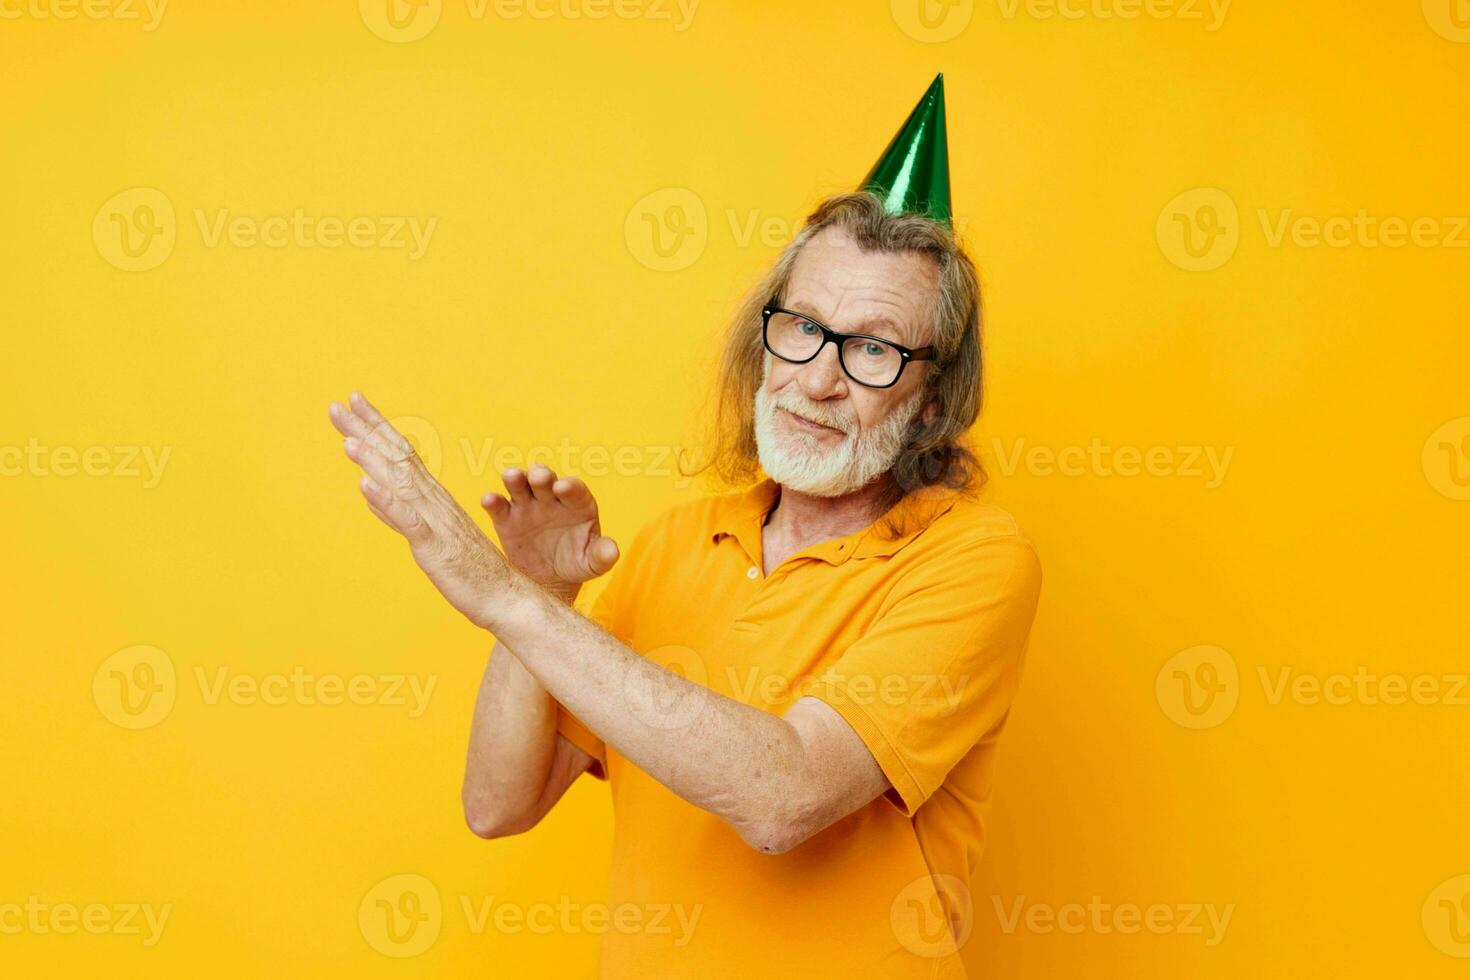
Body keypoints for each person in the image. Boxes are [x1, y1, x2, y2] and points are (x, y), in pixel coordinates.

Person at [327, 75, 1042, 978]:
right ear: (764, 337)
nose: (819, 381)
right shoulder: (673, 544)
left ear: (932, 394)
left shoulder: (973, 560)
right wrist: (545, 595)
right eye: (803, 329)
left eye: (871, 349)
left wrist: (508, 602)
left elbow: (785, 796)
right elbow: (498, 804)